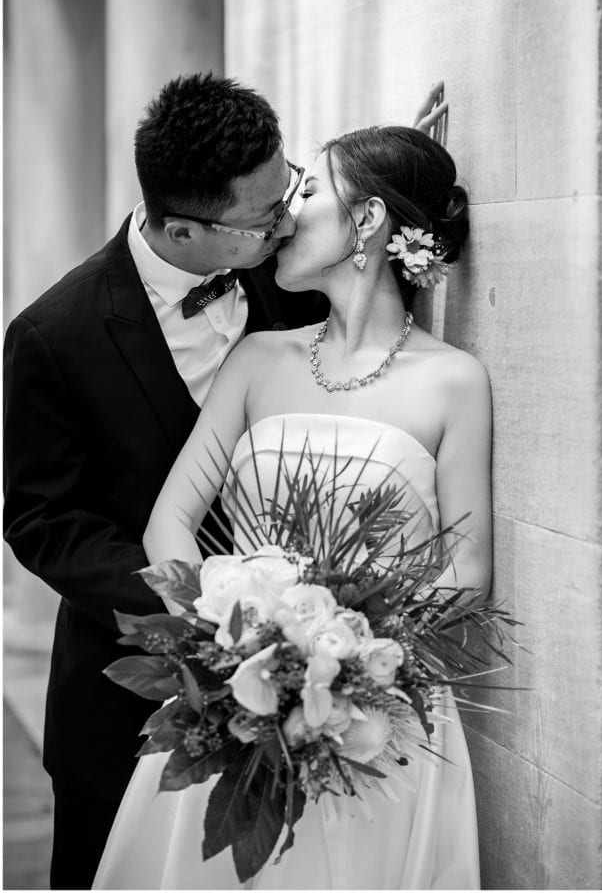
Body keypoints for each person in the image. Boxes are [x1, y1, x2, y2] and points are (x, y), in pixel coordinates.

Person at [3, 72, 446, 890]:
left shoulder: (283, 268)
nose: (286, 223)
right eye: (263, 219)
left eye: (289, 196)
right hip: (126, 696)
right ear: (183, 229)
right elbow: (44, 521)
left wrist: (410, 176)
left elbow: (369, 266)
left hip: (319, 685)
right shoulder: (50, 337)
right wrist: (204, 611)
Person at [94, 124, 492, 889]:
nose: (286, 213)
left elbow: (466, 567)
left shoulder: (454, 382)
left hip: (379, 713)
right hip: (238, 696)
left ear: (367, 221)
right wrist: (233, 642)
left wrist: (348, 665)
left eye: (308, 192)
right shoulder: (259, 357)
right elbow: (168, 521)